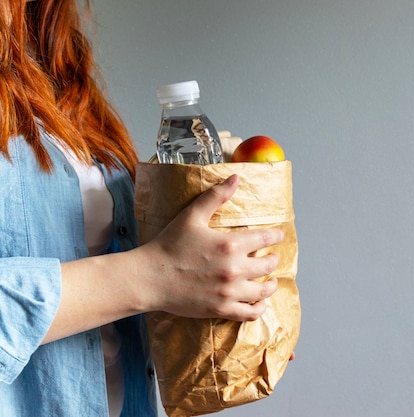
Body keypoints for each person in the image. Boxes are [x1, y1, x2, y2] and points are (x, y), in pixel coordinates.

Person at [0, 1, 284, 416]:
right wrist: (152, 274)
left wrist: (221, 307)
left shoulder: (57, 76)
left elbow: (114, 315)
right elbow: (150, 274)